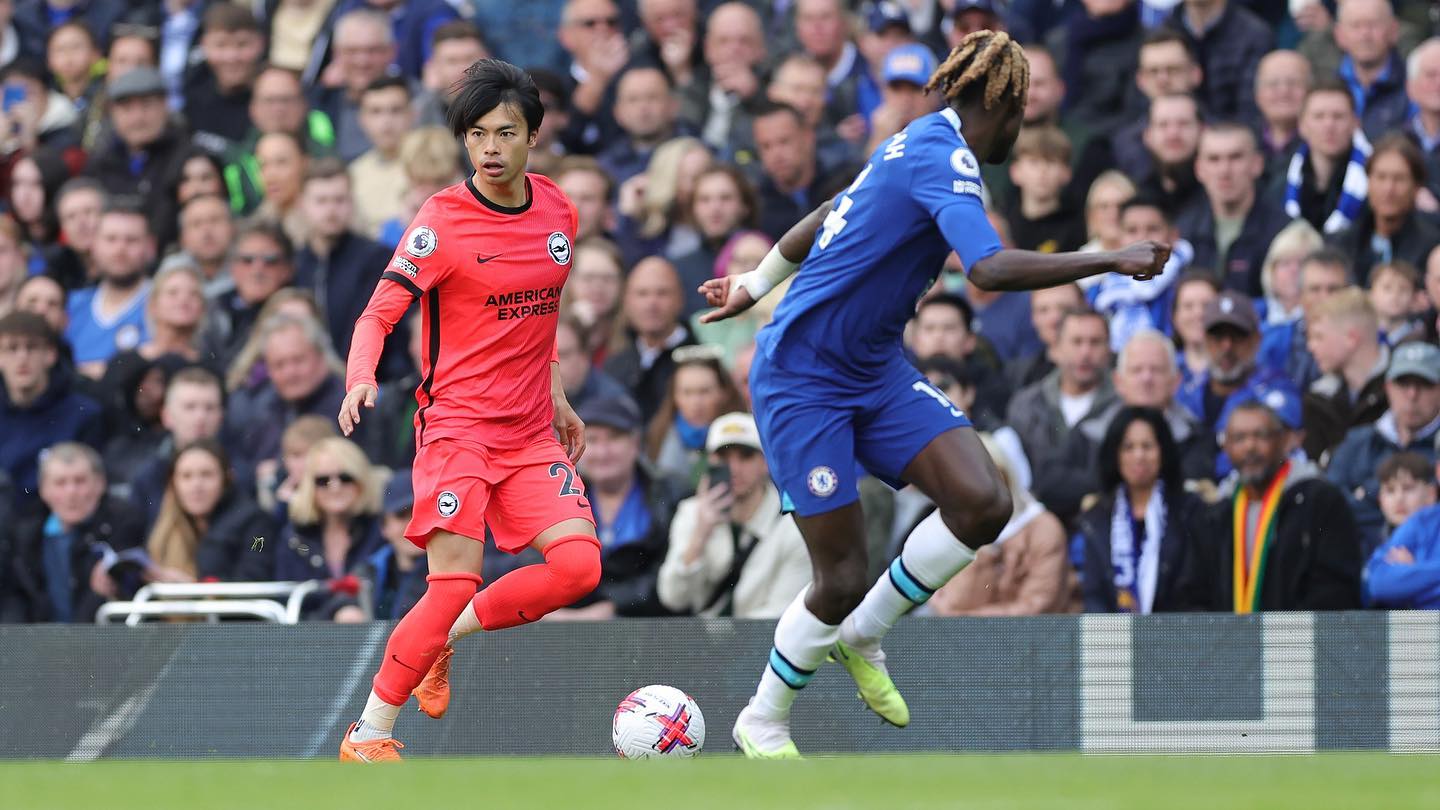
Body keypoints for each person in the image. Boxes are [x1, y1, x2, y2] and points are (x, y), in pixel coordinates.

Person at [698, 30, 1168, 758]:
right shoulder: (942, 156)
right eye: (1024, 112)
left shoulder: (918, 141)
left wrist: (755, 282)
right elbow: (984, 270)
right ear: (1002, 105)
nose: (1025, 127)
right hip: (802, 377)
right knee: (843, 574)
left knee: (983, 500)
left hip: (873, 368)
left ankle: (865, 634)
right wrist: (1109, 257)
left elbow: (832, 209)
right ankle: (763, 717)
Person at [336, 60, 598, 762]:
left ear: (532, 137)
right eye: (476, 134)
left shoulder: (558, 212)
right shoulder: (443, 221)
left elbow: (536, 322)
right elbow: (378, 313)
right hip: (458, 430)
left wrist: (558, 394)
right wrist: (361, 375)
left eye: (504, 132)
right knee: (451, 583)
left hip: (530, 430)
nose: (489, 147)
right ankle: (369, 733)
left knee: (579, 569)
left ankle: (443, 640)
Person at [1179, 395, 1361, 612]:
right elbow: (1194, 593)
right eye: (1239, 438)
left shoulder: (1320, 501)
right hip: (1230, 643)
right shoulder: (1216, 514)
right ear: (1226, 448)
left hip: (1296, 641)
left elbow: (1335, 587)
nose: (1250, 446)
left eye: (1261, 435)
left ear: (1284, 441)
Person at [658, 410, 813, 618]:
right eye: (723, 457)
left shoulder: (793, 525)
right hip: (703, 643)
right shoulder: (692, 512)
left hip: (760, 644)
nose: (734, 468)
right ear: (710, 461)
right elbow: (672, 597)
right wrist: (699, 536)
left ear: (766, 462)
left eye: (745, 456)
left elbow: (781, 613)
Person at [1074, 406, 1205, 613]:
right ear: (1115, 454)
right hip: (1112, 638)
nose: (1139, 456)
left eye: (1147, 446)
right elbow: (1093, 594)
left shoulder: (1190, 511)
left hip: (1176, 636)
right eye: (1128, 447)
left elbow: (1194, 588)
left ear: (1163, 451)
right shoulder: (1097, 516)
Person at [0, 442, 146, 623]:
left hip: (104, 644)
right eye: (60, 483)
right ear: (44, 489)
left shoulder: (124, 522)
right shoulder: (25, 534)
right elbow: (16, 597)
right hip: (38, 644)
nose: (71, 492)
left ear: (100, 483)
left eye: (80, 481)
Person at [1327, 342, 1440, 554]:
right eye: (1403, 383)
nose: (1412, 395)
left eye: (1424, 384)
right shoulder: (1358, 441)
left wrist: (1365, 499)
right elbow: (1332, 506)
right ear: (1388, 388)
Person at [143, 439, 276, 584]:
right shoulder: (163, 527)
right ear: (173, 482)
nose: (196, 485)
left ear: (226, 479)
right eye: (186, 476)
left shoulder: (257, 524)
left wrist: (197, 586)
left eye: (206, 475)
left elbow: (255, 576)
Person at [1365, 453, 1440, 609]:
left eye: (1408, 488)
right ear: (1380, 499)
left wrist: (1411, 573)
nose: (1399, 498)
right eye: (1390, 490)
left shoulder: (1427, 521)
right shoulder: (1376, 538)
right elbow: (1380, 585)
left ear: (1431, 493)